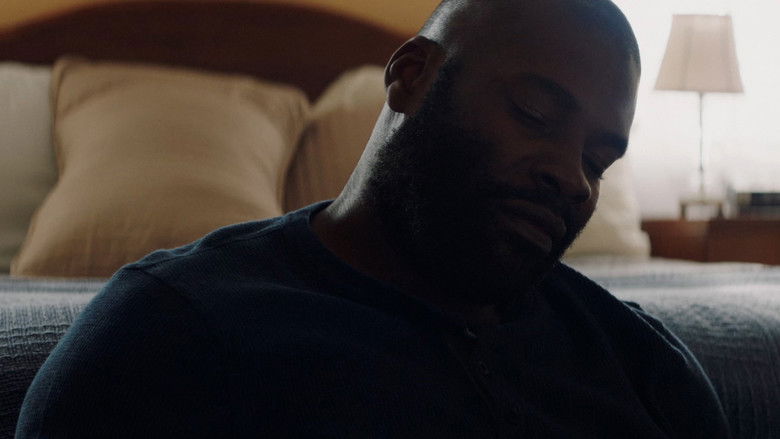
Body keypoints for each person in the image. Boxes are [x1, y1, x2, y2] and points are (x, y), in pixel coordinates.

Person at [17, 0, 730, 437]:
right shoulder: (168, 334)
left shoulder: (642, 364)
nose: (571, 178)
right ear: (412, 76)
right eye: (534, 112)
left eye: (599, 161)